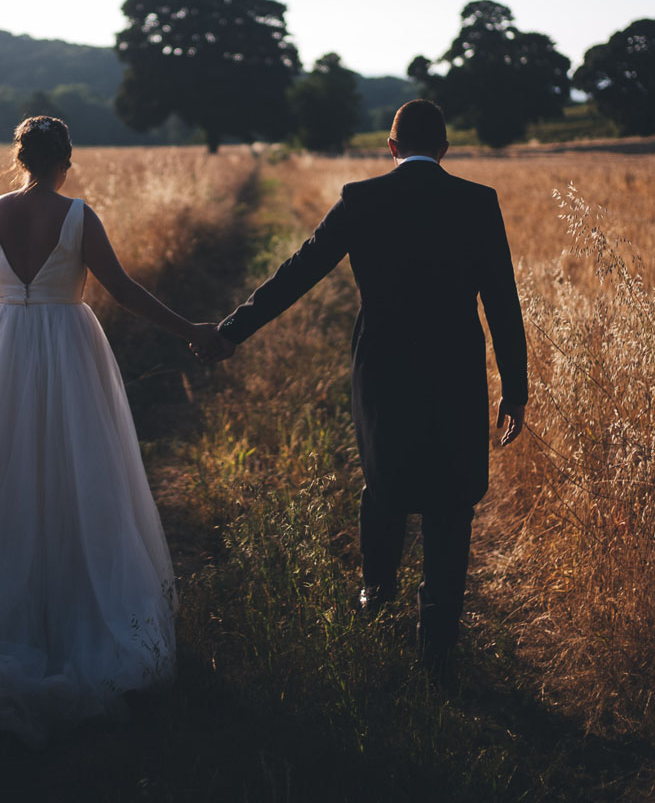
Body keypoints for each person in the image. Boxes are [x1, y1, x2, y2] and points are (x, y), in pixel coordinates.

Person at [0, 116, 229, 743]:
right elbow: (122, 290)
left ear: (20, 158)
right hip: (67, 347)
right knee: (76, 477)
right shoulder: (78, 215)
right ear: (67, 158)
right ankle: (68, 614)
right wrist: (191, 329)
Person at [211, 99, 528, 669]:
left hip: (383, 369)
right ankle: (438, 640)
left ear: (391, 147)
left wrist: (233, 330)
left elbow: (299, 272)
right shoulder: (478, 203)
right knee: (452, 499)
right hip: (455, 369)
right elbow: (502, 301)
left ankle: (375, 600)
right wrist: (516, 387)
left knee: (384, 483)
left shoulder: (363, 199)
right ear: (445, 150)